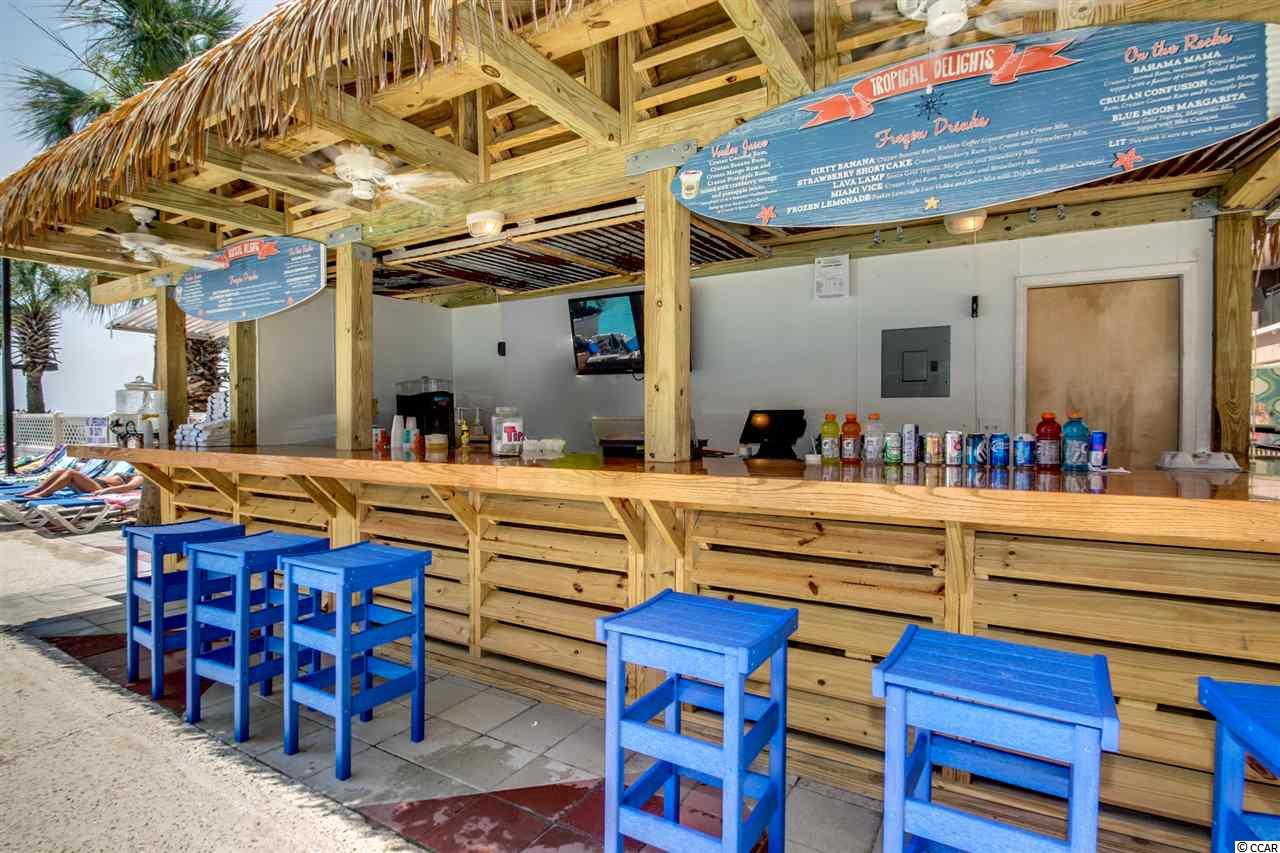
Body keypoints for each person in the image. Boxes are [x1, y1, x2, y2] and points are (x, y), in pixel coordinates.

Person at [21, 461, 141, 499]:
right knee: (61, 471)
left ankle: (45, 493)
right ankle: (37, 490)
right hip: (95, 483)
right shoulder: (129, 472)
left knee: (71, 473)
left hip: (100, 488)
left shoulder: (140, 477)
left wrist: (105, 491)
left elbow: (128, 487)